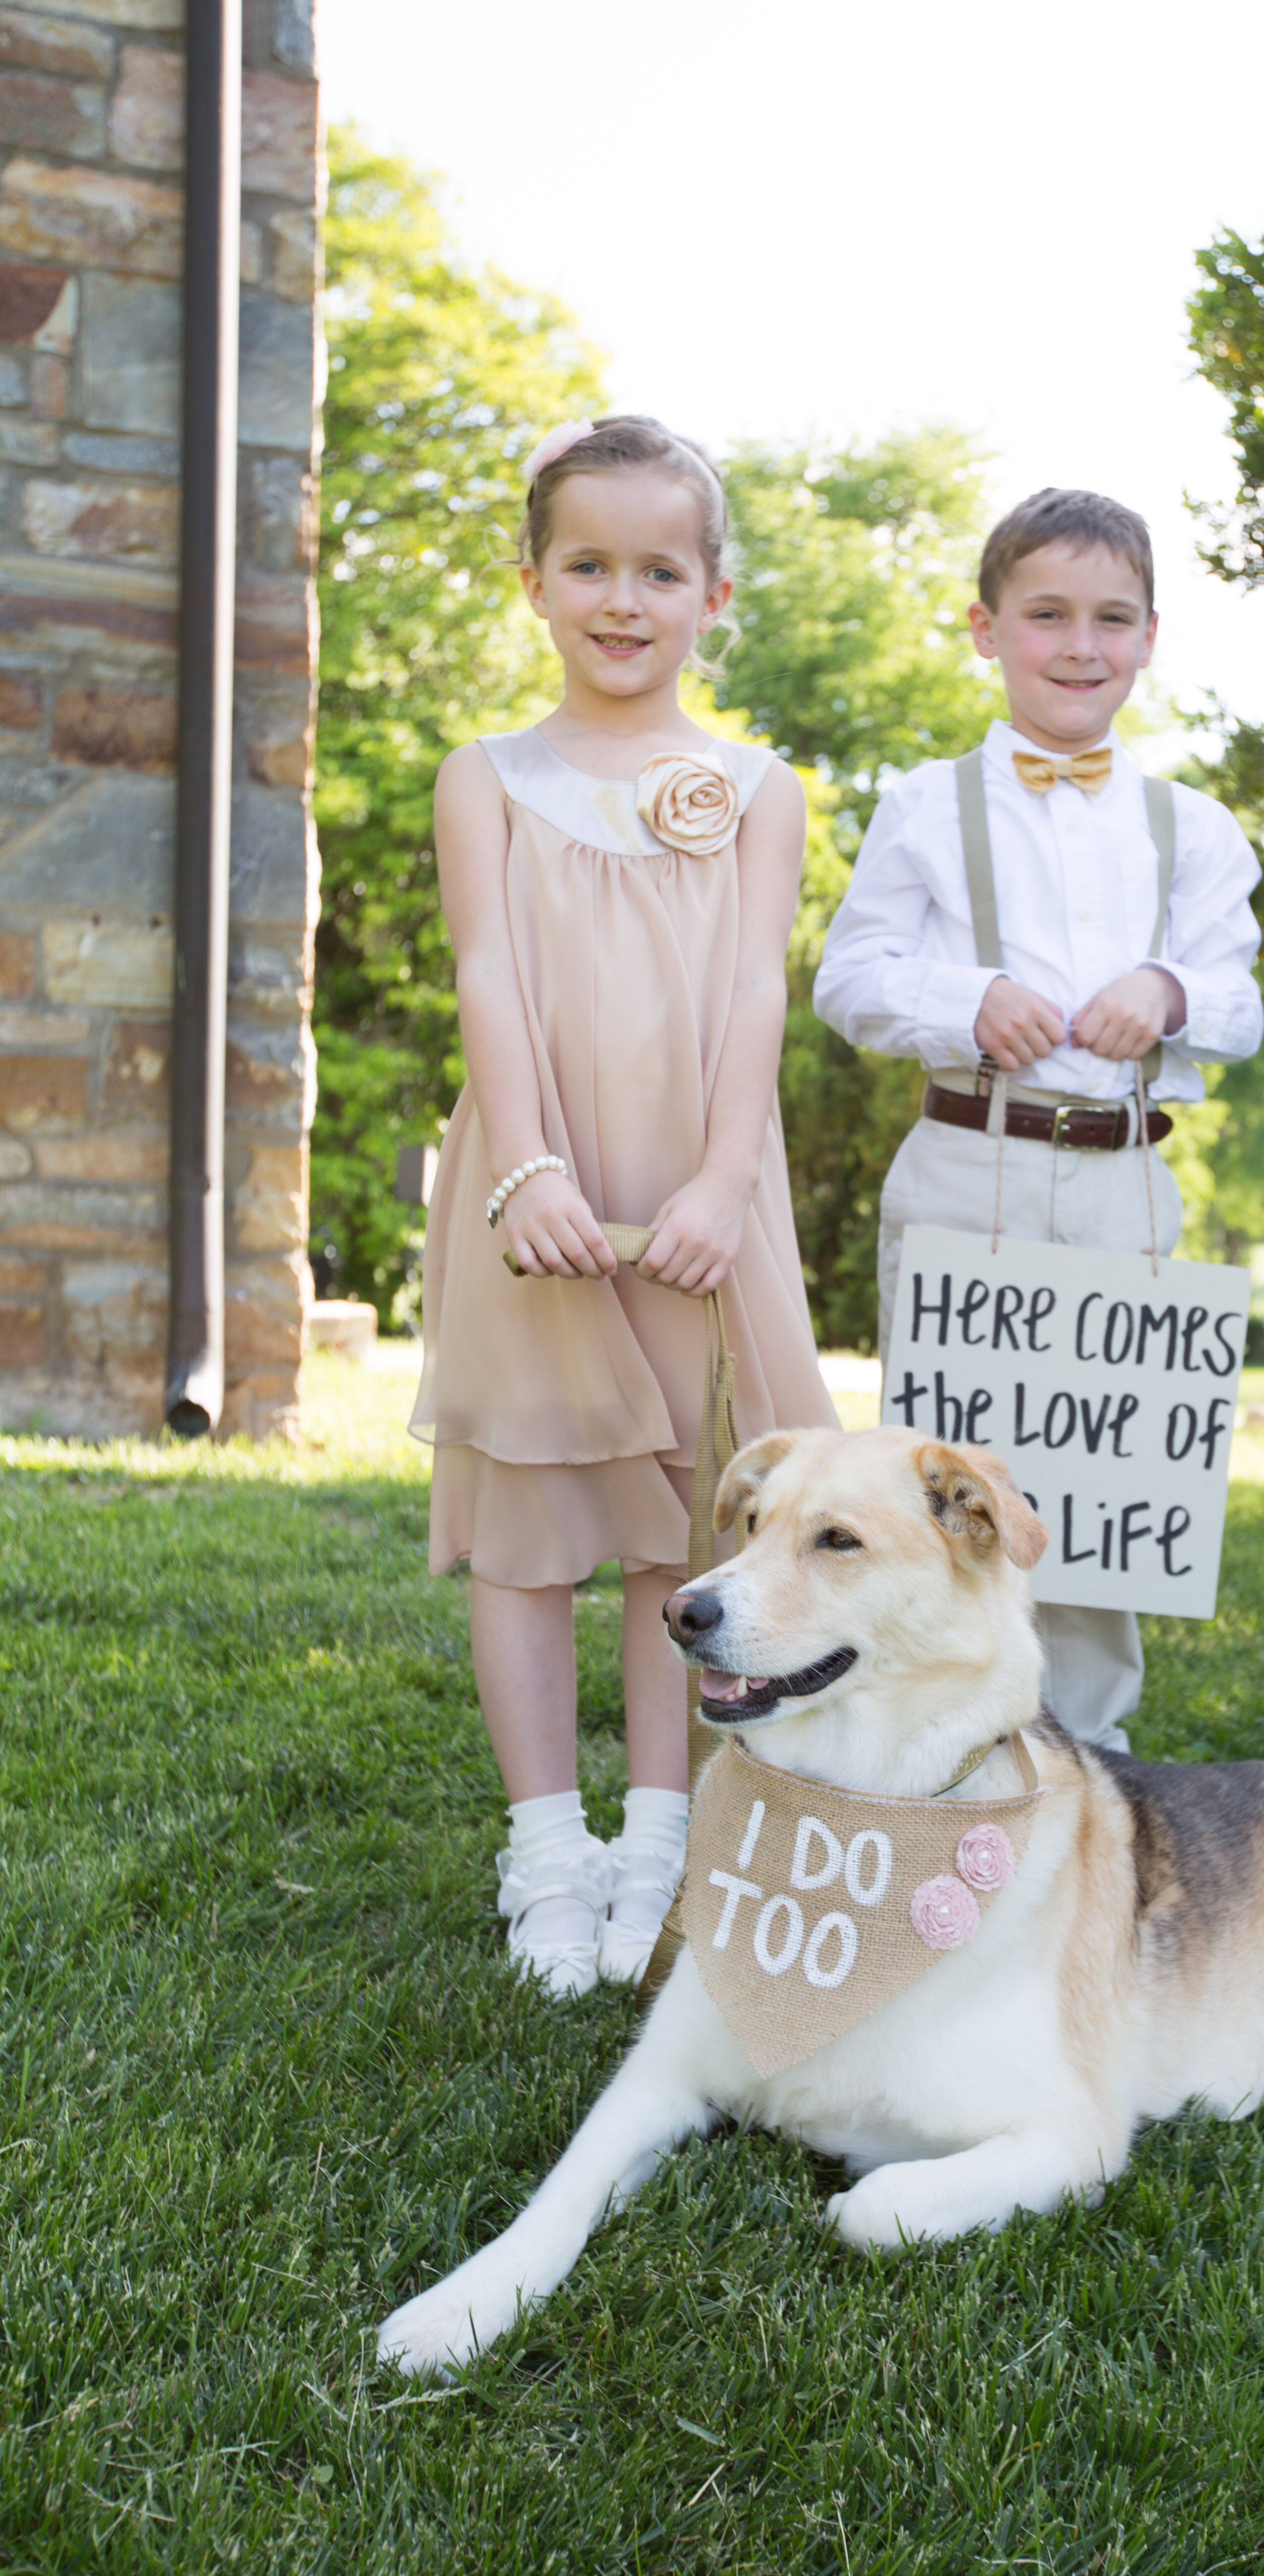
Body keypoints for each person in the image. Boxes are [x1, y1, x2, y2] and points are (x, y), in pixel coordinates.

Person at [412, 413, 836, 1999]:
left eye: (660, 569)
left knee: (688, 1518)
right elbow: (489, 974)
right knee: (531, 1522)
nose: (622, 598)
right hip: (542, 1180)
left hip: (698, 1188)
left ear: (714, 595)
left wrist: (724, 1181)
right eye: (588, 564)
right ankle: (545, 1849)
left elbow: (749, 993)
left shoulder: (757, 790)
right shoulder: (489, 780)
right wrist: (524, 1169)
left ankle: (663, 1839)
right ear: (534, 583)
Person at [813, 486, 1264, 1752]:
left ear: (1151, 636)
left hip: (1123, 1176)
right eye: (1048, 615)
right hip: (969, 1162)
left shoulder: (1197, 830)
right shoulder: (925, 805)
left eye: (1111, 619)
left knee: (1108, 1475)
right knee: (943, 1477)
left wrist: (1168, 991)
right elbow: (848, 980)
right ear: (987, 628)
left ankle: (1091, 1747)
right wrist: (969, 1001)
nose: (1080, 646)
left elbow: (1239, 1003)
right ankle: (937, 1730)